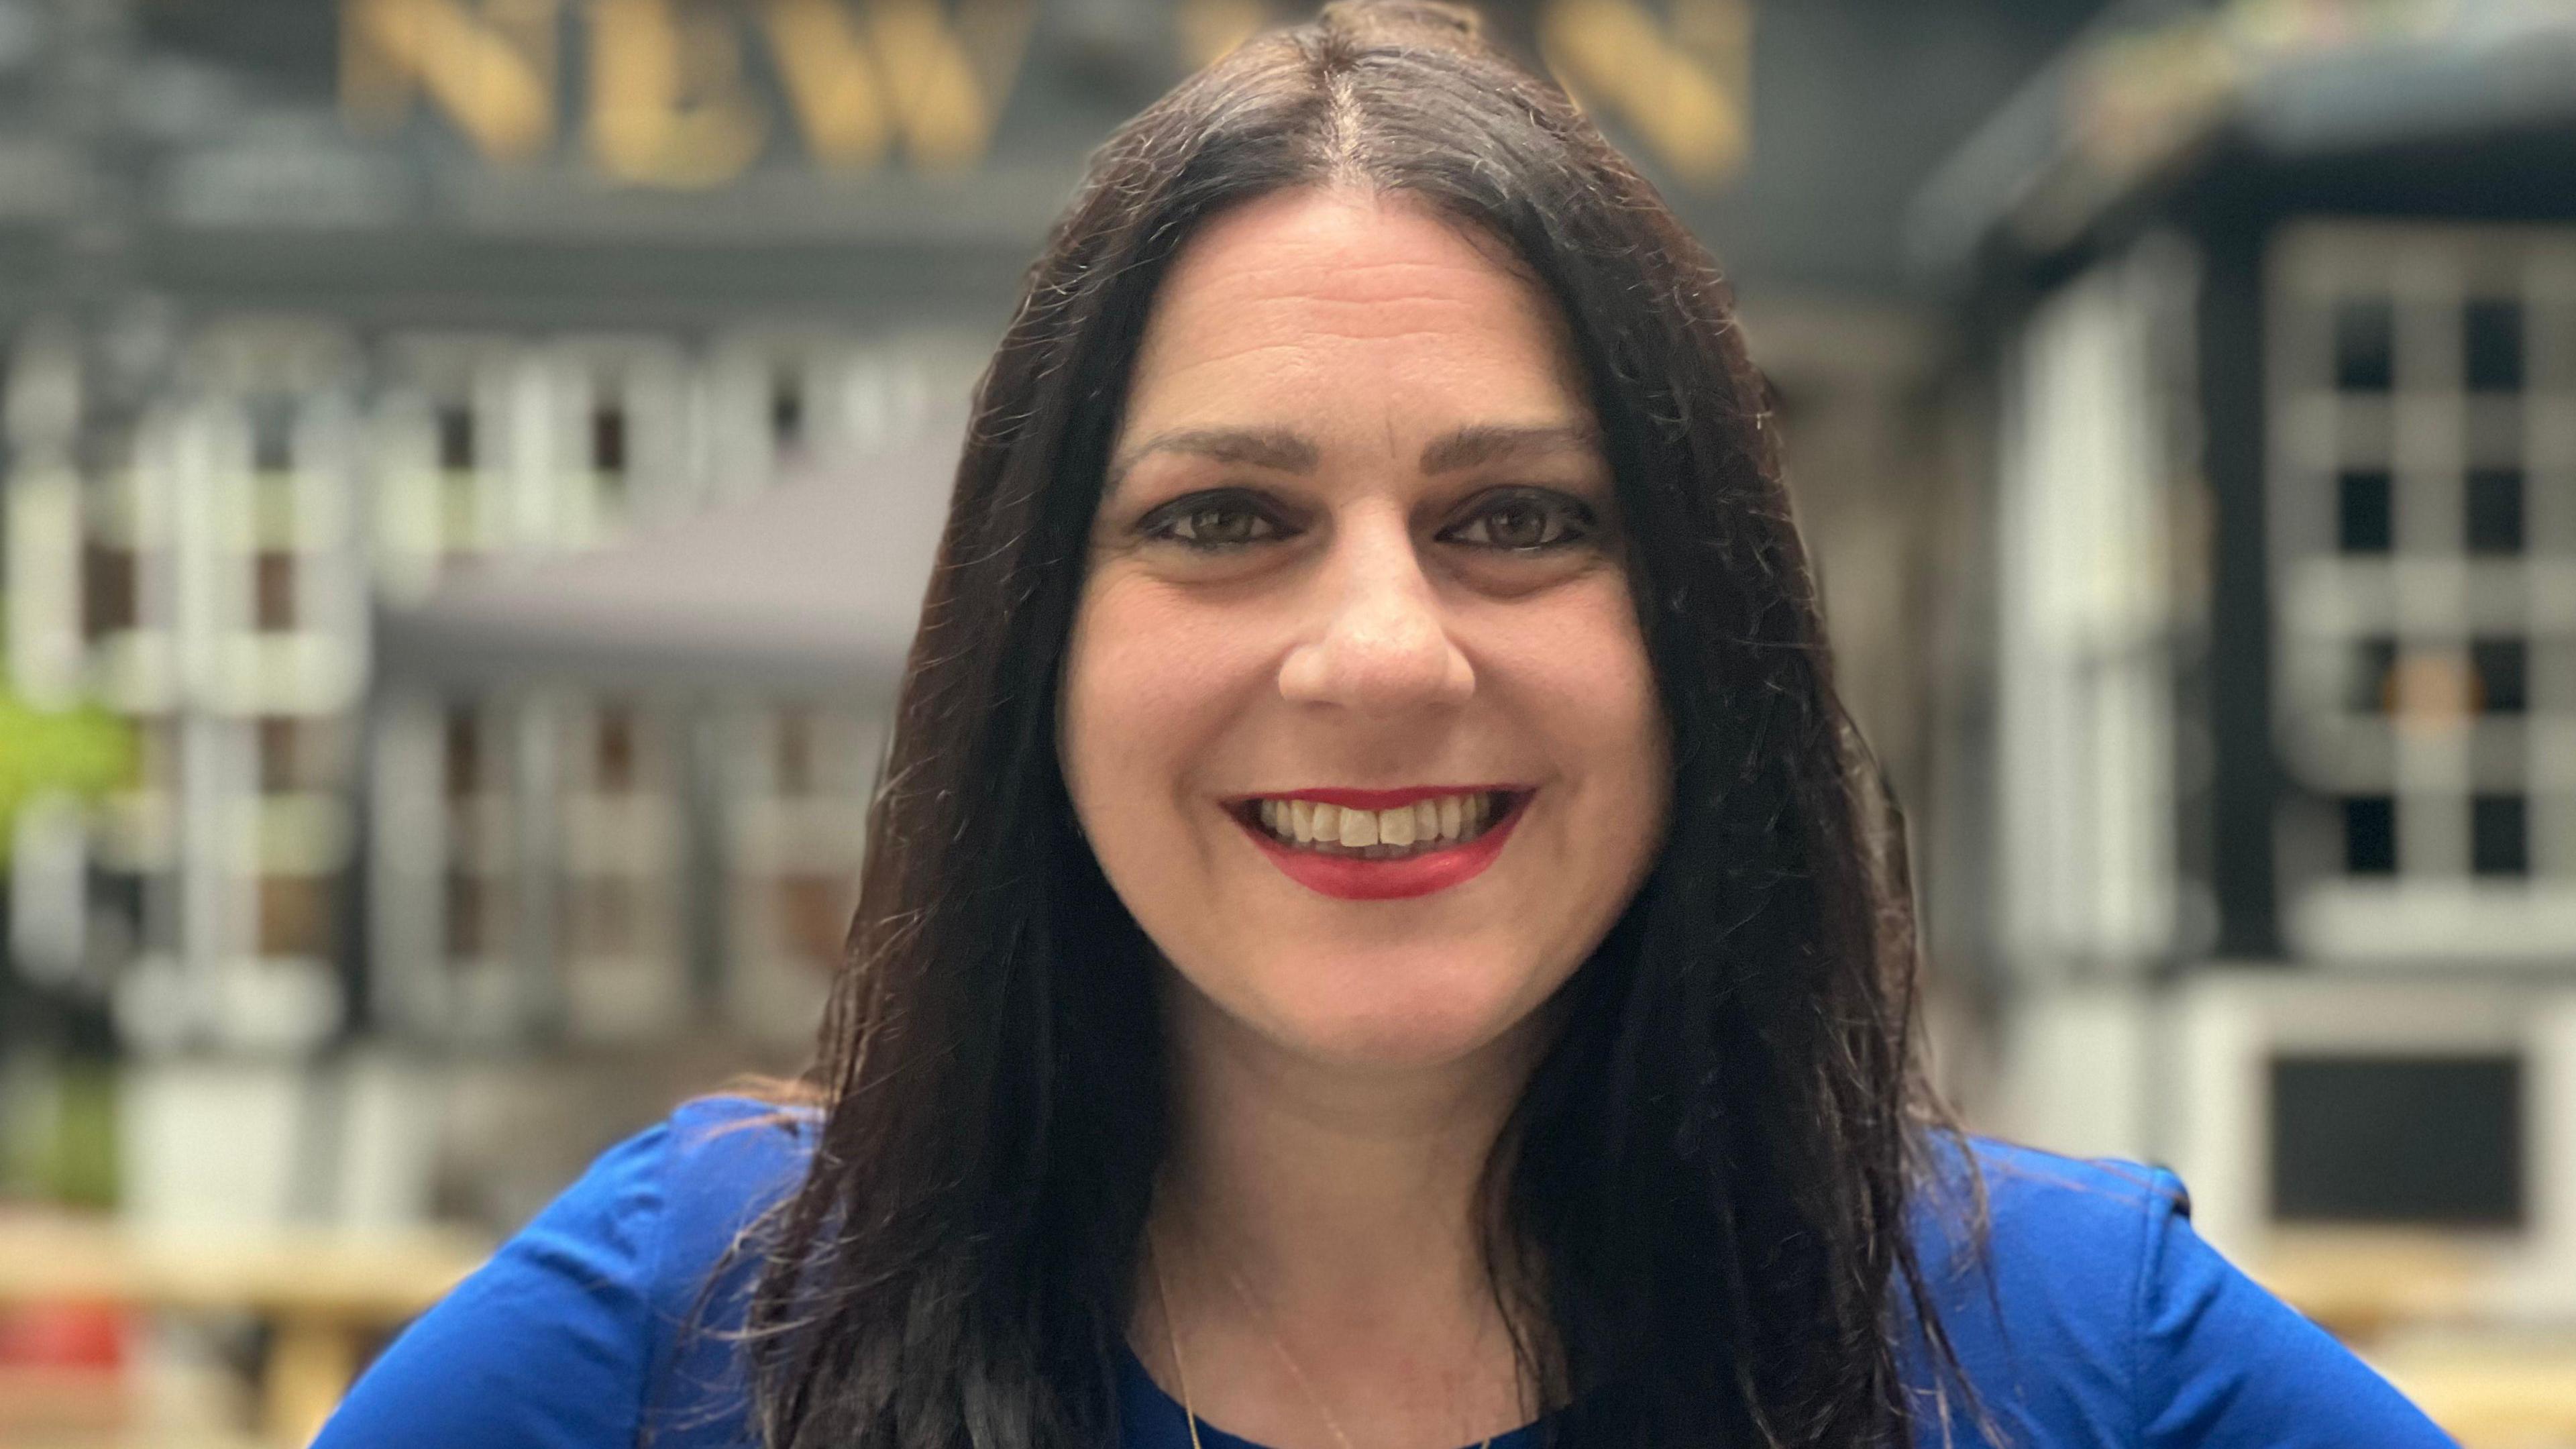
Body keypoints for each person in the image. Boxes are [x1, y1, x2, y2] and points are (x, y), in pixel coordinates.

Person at [314, 4, 2458, 1446]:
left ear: (1708, 630)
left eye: (1520, 518)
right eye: (1224, 519)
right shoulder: (683, 1337)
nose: (1377, 653)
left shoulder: (2072, 1350)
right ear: (1029, 641)